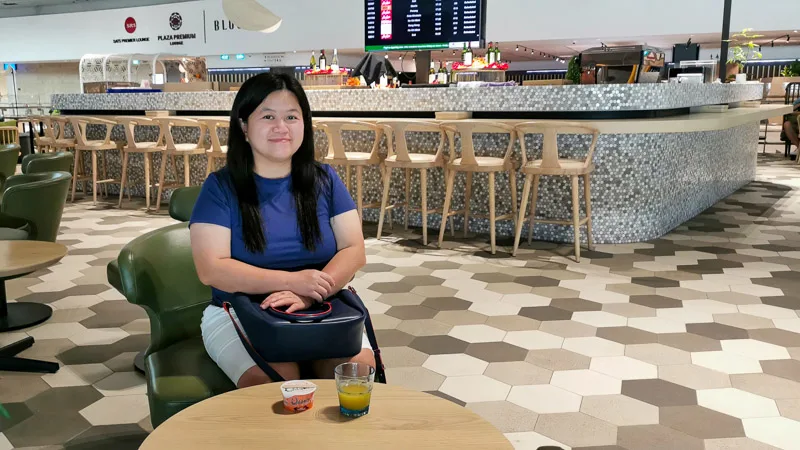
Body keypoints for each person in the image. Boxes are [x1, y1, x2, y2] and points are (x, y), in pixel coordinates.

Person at [189, 72, 374, 388]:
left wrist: (308, 293)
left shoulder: (326, 180)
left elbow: (354, 251)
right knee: (278, 384)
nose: (281, 127)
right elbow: (211, 269)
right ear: (244, 126)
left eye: (291, 116)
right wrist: (292, 281)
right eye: (268, 116)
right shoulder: (220, 188)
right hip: (237, 309)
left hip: (320, 303)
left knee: (355, 374)